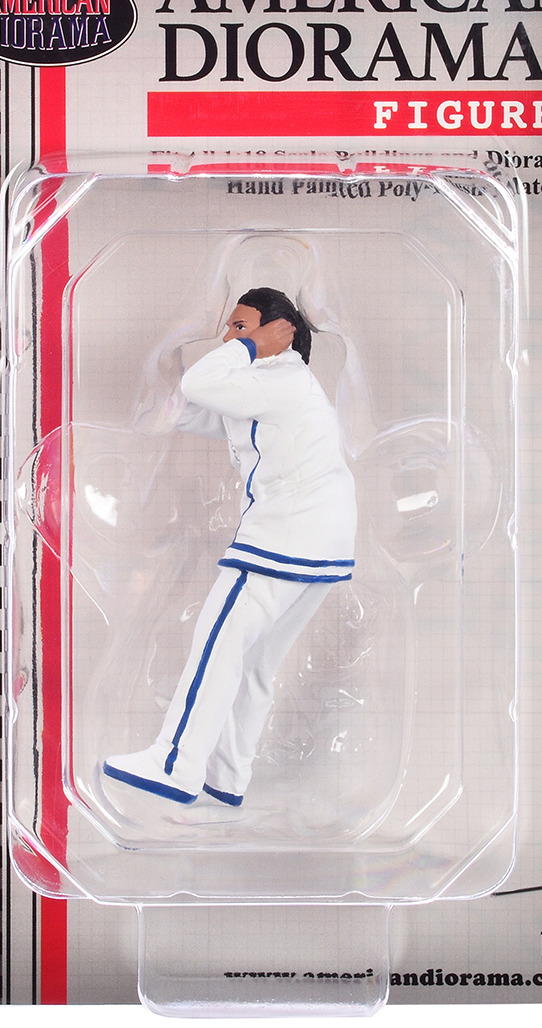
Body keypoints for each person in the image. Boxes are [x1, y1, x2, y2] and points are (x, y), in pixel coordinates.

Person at [104, 288, 358, 806]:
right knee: (257, 662)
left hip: (284, 537)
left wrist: (252, 346)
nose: (227, 339)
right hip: (321, 541)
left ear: (279, 332)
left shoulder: (279, 376)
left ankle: (174, 764)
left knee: (217, 646)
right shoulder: (278, 386)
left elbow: (201, 383)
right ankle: (228, 774)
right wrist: (162, 396)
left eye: (239, 327)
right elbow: (209, 411)